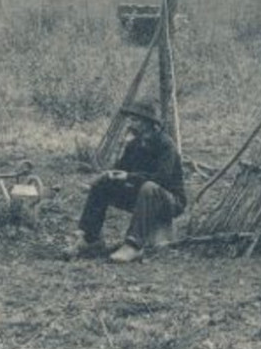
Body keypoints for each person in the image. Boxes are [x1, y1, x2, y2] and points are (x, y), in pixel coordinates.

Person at [69, 102, 185, 263]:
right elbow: (120, 171)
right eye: (131, 120)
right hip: (143, 196)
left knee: (149, 187)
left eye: (136, 121)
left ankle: (133, 245)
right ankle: (91, 238)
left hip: (170, 200)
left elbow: (161, 179)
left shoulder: (166, 145)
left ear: (149, 124)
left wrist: (129, 177)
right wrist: (105, 177)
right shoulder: (134, 144)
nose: (132, 124)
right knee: (103, 184)